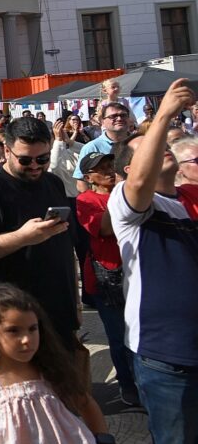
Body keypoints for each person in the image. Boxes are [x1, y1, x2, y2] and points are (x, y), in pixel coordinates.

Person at [107, 78, 198, 444]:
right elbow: (142, 180)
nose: (158, 148)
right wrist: (162, 115)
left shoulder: (190, 196)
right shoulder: (128, 207)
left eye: (161, 143)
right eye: (145, 148)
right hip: (167, 356)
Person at [0, 284, 112, 444]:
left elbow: (86, 403)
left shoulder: (48, 367)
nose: (26, 339)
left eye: (32, 329)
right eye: (13, 331)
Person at [0, 116, 80, 354]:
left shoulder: (52, 183)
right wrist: (23, 237)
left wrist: (74, 304)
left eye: (42, 159)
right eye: (25, 160)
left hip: (55, 313)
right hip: (9, 318)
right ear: (6, 150)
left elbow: (67, 249)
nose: (35, 166)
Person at [75, 152, 138, 406]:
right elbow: (104, 228)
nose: (109, 171)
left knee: (139, 333)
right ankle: (127, 384)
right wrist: (120, 196)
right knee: (118, 336)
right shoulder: (85, 200)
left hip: (135, 272)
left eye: (110, 165)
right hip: (107, 276)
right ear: (89, 177)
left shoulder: (125, 193)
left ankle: (142, 383)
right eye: (101, 169)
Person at [73, 101, 132, 193]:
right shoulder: (92, 147)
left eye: (123, 115)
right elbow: (81, 183)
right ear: (102, 121)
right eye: (113, 116)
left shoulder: (139, 143)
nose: (119, 118)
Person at [49, 118, 84, 198]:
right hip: (61, 199)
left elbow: (87, 150)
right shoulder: (47, 156)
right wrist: (58, 140)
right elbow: (53, 166)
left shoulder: (72, 152)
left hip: (79, 197)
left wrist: (70, 142)